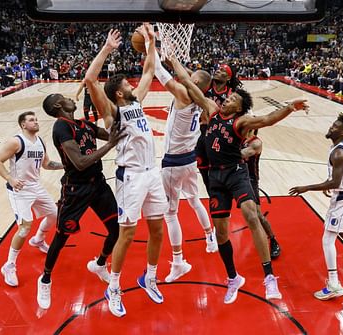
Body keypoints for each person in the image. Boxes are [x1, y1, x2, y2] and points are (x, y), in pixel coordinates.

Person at [172, 56, 308, 303]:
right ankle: (233, 278)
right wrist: (173, 61)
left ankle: (269, 277)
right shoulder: (212, 110)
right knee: (221, 233)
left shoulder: (241, 122)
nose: (227, 99)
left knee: (250, 213)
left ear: (239, 107)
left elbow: (267, 120)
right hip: (215, 177)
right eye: (228, 97)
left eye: (232, 99)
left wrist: (290, 107)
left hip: (236, 173)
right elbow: (189, 85)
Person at [84, 25, 167, 317]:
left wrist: (152, 42)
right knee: (128, 234)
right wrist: (107, 49)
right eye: (128, 86)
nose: (135, 86)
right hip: (130, 176)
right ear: (119, 92)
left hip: (152, 172)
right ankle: (114, 287)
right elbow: (90, 80)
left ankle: (150, 277)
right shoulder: (113, 112)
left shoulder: (136, 102)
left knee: (157, 230)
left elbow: (148, 71)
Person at [36, 93, 125, 309]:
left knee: (116, 230)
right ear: (59, 105)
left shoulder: (84, 124)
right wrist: (110, 145)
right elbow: (80, 162)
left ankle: (100, 264)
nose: (72, 99)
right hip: (76, 189)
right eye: (65, 98)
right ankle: (45, 279)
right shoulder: (61, 127)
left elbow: (113, 133)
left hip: (98, 185)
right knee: (62, 236)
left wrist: (120, 107)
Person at [289, 113, 343, 301]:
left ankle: (334, 284)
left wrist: (307, 187)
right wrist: (330, 184)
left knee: (328, 238)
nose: (331, 128)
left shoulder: (338, 152)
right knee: (339, 229)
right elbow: (336, 179)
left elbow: (335, 182)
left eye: (335, 127)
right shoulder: (339, 147)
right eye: (332, 125)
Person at [152, 51, 218, 284]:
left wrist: (152, 46)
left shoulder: (182, 93)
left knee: (170, 214)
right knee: (194, 200)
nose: (184, 77)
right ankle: (210, 238)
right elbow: (186, 76)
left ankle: (178, 262)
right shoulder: (204, 101)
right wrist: (173, 59)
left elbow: (159, 72)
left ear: (195, 82)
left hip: (173, 163)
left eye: (190, 77)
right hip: (190, 160)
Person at [0, 111, 63, 287]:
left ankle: (38, 239)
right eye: (32, 120)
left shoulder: (40, 142)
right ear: (23, 124)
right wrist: (10, 178)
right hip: (19, 190)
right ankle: (9, 265)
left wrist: (66, 165)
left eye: (36, 119)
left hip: (36, 187)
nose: (36, 122)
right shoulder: (16, 141)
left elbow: (46, 164)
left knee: (55, 215)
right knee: (24, 228)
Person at [196, 63, 242, 194]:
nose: (217, 70)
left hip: (219, 132)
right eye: (218, 68)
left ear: (228, 77)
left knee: (219, 169)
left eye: (222, 70)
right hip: (201, 129)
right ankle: (212, 192)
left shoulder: (231, 95)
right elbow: (191, 75)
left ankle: (226, 191)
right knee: (201, 164)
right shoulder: (207, 85)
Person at [241, 130, 281, 259]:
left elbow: (239, 155)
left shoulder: (256, 143)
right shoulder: (239, 138)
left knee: (258, 215)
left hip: (250, 180)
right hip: (236, 177)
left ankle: (273, 240)